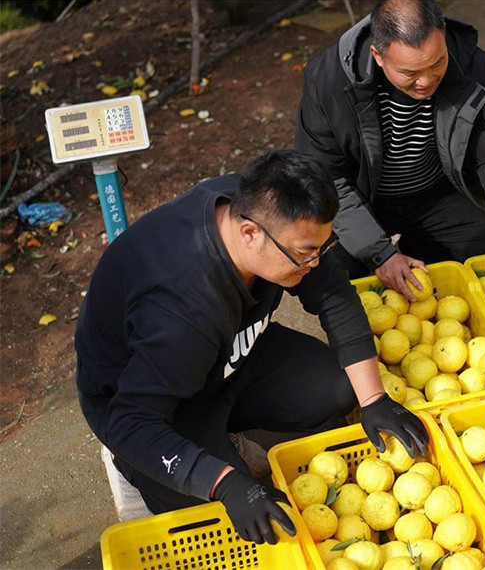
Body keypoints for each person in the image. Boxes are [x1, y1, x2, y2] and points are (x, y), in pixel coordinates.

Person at [75, 150, 428, 544]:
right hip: (146, 406)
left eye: (321, 248)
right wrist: (225, 482)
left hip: (229, 356)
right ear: (249, 234)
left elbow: (334, 293)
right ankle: (131, 467)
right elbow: (131, 422)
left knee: (340, 387)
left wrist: (375, 399)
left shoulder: (263, 208)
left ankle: (222, 432)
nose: (315, 262)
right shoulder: (179, 309)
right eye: (304, 254)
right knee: (228, 518)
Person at [295, 0, 485, 303]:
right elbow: (326, 180)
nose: (426, 81)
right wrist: (380, 254)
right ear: (378, 55)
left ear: (443, 37)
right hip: (363, 199)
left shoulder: (470, 64)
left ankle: (422, 250)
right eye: (409, 72)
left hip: (435, 194)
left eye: (437, 63)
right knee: (331, 267)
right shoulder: (328, 83)